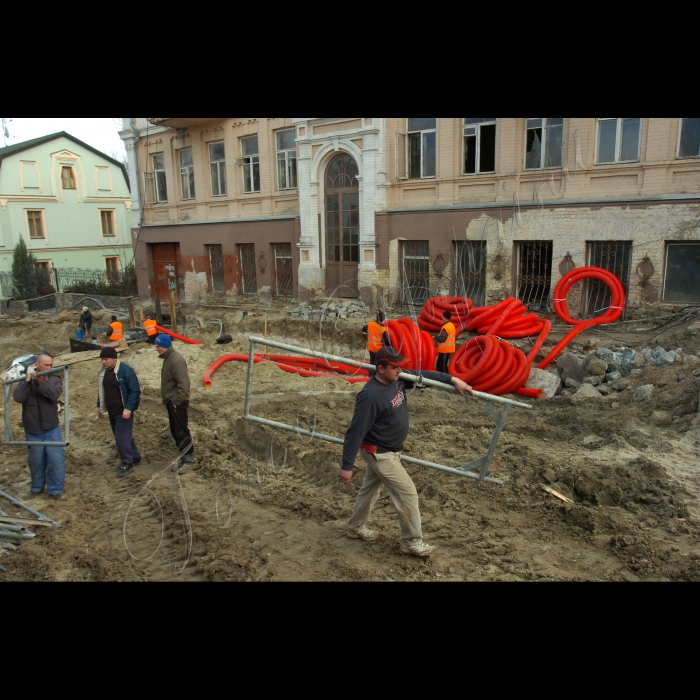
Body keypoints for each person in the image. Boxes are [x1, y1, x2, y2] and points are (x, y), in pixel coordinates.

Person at [338, 347, 473, 557]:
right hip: (380, 453)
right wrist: (347, 466)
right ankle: (411, 542)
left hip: (389, 450)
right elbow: (355, 432)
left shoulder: (396, 380)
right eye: (395, 367)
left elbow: (424, 375)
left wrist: (452, 379)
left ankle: (355, 527)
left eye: (401, 366)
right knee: (407, 493)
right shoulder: (370, 396)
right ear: (380, 368)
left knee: (370, 490)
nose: (400, 370)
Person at [12, 352, 67, 500]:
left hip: (51, 427)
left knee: (56, 460)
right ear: (36, 365)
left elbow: (53, 396)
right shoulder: (25, 380)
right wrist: (27, 381)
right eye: (46, 365)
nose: (49, 367)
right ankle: (36, 488)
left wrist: (39, 383)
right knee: (36, 460)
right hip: (33, 428)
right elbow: (18, 397)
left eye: (51, 365)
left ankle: (55, 491)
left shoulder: (55, 379)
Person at [97, 347, 142, 478]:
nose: (103, 362)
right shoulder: (104, 372)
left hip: (123, 411)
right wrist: (100, 406)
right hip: (112, 411)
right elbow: (101, 390)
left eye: (106, 359)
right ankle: (135, 456)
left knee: (121, 437)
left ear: (114, 359)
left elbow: (134, 391)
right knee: (124, 437)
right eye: (102, 360)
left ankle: (127, 463)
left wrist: (128, 409)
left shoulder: (125, 372)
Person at [154, 334, 196, 471]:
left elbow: (184, 384)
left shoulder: (176, 360)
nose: (156, 349)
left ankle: (190, 459)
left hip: (177, 402)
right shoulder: (168, 358)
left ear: (165, 346)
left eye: (158, 346)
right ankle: (185, 457)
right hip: (173, 402)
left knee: (181, 430)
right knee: (176, 430)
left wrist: (175, 401)